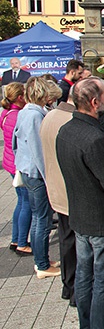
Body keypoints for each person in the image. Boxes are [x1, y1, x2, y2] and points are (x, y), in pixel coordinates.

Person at [57, 77, 104, 329]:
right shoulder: (94, 139)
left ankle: (88, 323)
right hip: (102, 221)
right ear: (95, 102)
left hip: (80, 216)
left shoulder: (67, 129)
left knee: (85, 277)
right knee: (103, 282)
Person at [13, 77, 62, 279]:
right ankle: (41, 263)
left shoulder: (26, 112)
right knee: (41, 219)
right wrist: (48, 177)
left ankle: (42, 259)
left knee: (38, 216)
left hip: (27, 170)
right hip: (35, 173)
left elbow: (17, 141)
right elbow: (37, 150)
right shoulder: (34, 115)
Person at [40, 86, 78, 306]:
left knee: (66, 241)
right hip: (70, 192)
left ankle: (68, 285)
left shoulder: (50, 116)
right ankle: (74, 291)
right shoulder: (69, 122)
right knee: (75, 245)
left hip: (56, 190)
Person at [2, 83, 31, 256]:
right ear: (20, 97)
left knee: (21, 201)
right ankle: (21, 242)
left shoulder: (6, 113)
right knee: (26, 202)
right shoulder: (17, 116)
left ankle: (16, 238)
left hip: (9, 161)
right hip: (18, 164)